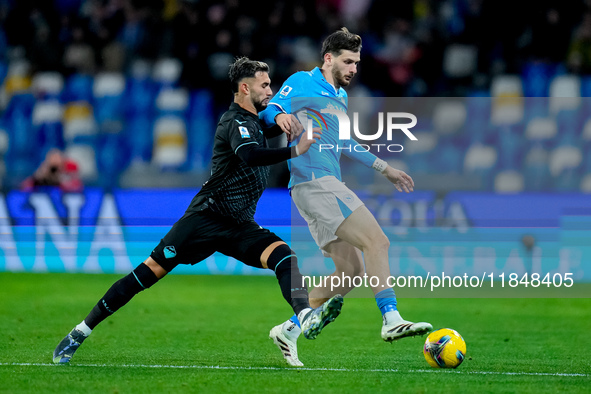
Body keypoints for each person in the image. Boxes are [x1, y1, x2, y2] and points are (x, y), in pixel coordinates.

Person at [52, 57, 343, 364]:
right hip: (205, 218)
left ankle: (305, 316)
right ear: (245, 88)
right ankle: (80, 332)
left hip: (238, 225)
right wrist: (295, 149)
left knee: (284, 256)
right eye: (265, 85)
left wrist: (284, 117)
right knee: (147, 274)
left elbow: (270, 121)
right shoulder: (234, 123)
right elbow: (251, 155)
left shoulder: (254, 122)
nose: (270, 90)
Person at [260, 28, 432, 367]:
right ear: (328, 58)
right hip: (315, 182)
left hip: (317, 187)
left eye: (357, 62)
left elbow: (345, 143)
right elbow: (270, 107)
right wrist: (280, 116)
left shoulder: (340, 96)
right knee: (378, 242)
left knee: (350, 271)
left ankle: (290, 329)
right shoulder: (303, 81)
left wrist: (386, 169)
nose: (354, 68)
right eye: (348, 61)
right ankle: (391, 318)